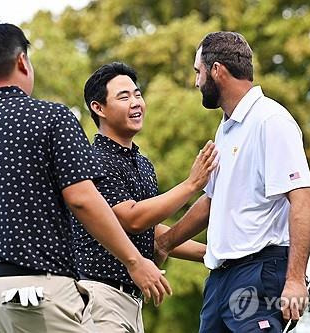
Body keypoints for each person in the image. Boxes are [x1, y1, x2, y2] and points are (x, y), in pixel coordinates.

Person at [0, 22, 170, 333]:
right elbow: (81, 200)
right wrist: (134, 261)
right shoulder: (51, 118)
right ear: (22, 61)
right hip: (32, 293)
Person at [155, 31, 310, 332]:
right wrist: (166, 242)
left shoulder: (271, 120)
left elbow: (303, 199)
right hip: (219, 281)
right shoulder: (226, 129)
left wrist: (295, 279)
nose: (196, 82)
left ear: (217, 70)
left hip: (258, 273)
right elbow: (212, 202)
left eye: (198, 72)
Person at [74, 62, 216, 332]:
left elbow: (151, 232)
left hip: (131, 301)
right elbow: (132, 219)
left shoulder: (142, 163)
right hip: (98, 296)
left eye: (137, 94)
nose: (136, 103)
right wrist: (191, 185)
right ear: (98, 108)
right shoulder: (94, 160)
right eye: (124, 97)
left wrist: (215, 255)